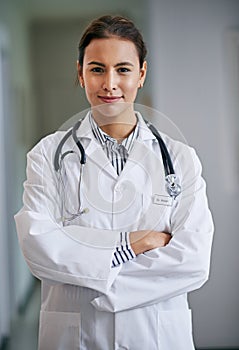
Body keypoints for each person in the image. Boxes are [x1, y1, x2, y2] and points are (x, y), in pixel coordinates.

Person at [15, 15, 214, 350]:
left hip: (156, 335)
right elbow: (39, 248)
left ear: (141, 74)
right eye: (97, 69)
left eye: (122, 69)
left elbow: (193, 260)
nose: (110, 83)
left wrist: (91, 269)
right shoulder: (48, 155)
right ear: (80, 74)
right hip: (75, 336)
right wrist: (131, 244)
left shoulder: (180, 158)